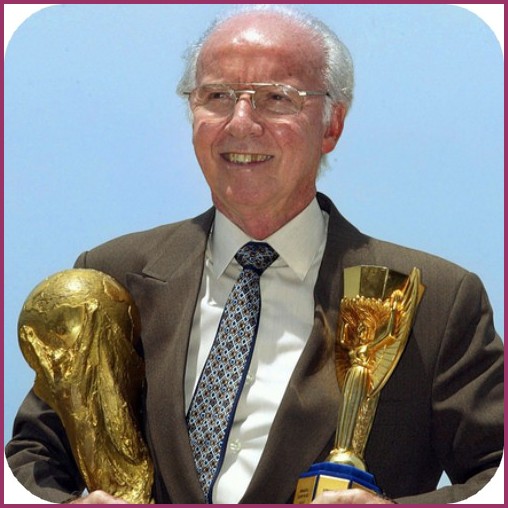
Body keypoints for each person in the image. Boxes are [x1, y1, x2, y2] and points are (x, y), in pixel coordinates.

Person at [5, 5, 503, 505]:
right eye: (217, 96)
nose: (240, 123)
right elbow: (30, 461)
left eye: (276, 98)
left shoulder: (435, 302)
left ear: (331, 125)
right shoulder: (112, 279)